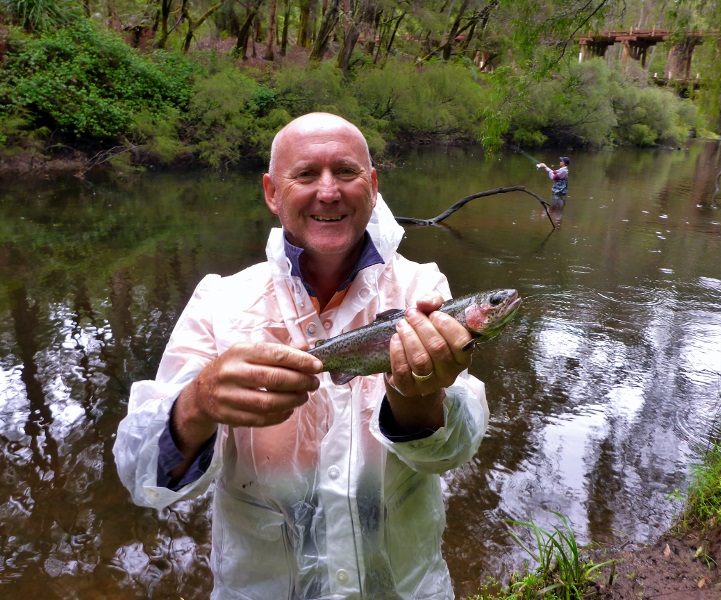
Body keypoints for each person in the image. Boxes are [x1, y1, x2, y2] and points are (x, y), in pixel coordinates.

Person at [113, 112, 489, 599]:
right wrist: (197, 404)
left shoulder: (423, 289)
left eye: (346, 172)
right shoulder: (219, 302)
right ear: (272, 192)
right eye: (306, 174)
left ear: (373, 185)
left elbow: (456, 450)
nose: (328, 192)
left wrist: (415, 396)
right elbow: (142, 477)